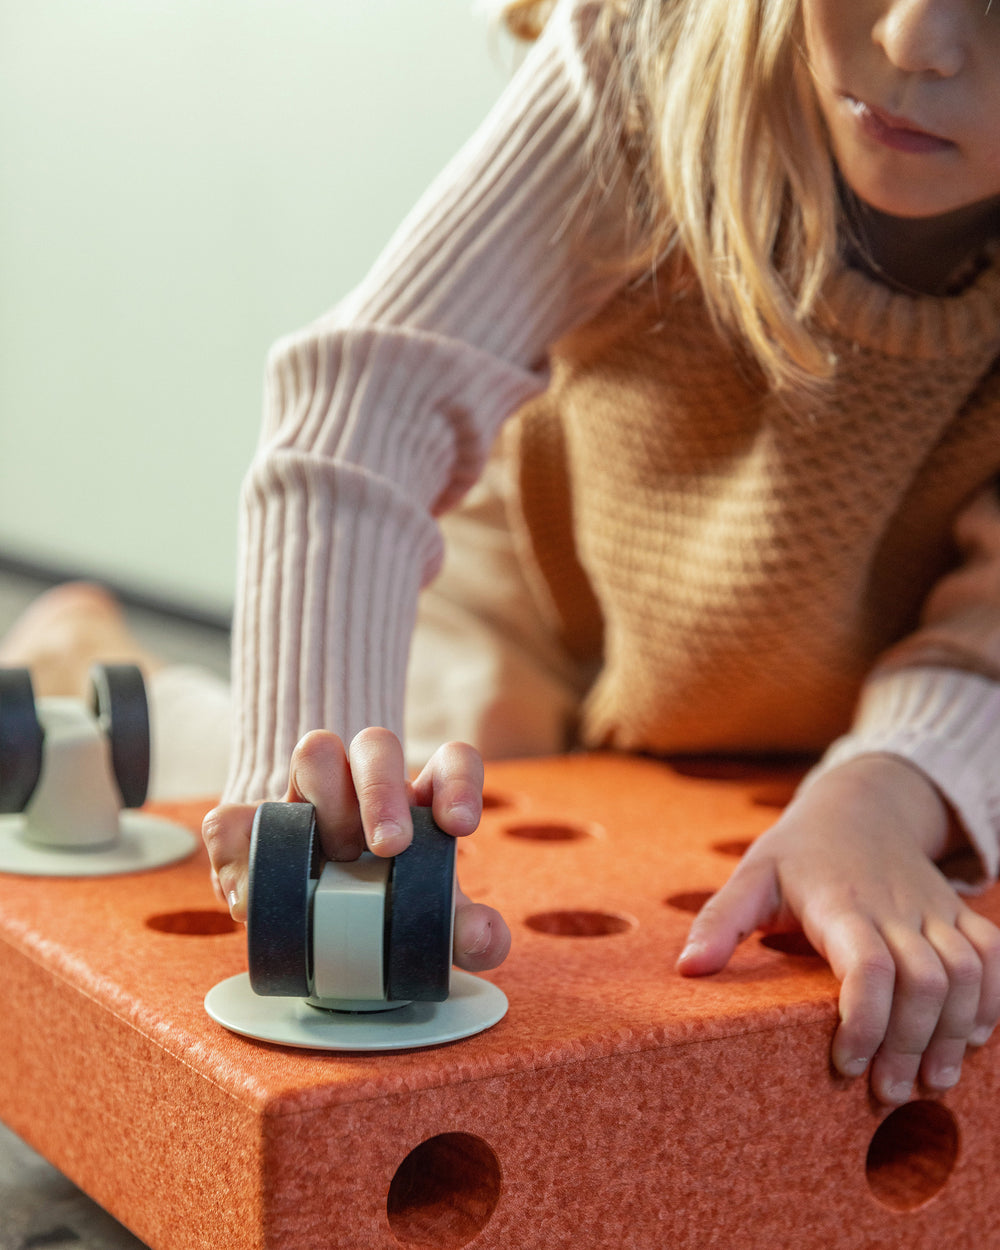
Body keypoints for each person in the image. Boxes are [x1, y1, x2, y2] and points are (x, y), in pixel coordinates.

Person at [7, 0, 1000, 1109]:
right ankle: (83, 663)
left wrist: (889, 785)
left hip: (843, 698)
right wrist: (308, 785)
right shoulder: (650, 50)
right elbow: (367, 405)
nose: (916, 41)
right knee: (420, 807)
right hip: (531, 607)